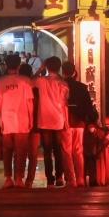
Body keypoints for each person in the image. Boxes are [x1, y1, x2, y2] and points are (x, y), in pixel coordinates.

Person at [0, 53, 34, 187]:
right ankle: (19, 178)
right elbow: (29, 102)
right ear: (19, 65)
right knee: (21, 151)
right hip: (22, 120)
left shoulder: (0, 82)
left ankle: (8, 178)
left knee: (7, 151)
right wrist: (31, 119)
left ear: (6, 65)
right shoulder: (25, 81)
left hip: (6, 121)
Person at [35, 56, 74, 187]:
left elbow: (30, 81)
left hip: (44, 120)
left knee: (47, 151)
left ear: (47, 66)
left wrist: (40, 69)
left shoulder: (41, 81)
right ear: (59, 67)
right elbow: (65, 102)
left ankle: (50, 180)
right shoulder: (63, 84)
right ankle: (59, 177)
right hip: (58, 120)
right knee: (58, 150)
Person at [61, 61, 96, 188]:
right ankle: (80, 178)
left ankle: (71, 179)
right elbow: (88, 106)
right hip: (80, 122)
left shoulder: (61, 86)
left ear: (63, 71)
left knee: (67, 151)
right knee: (78, 150)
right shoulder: (82, 87)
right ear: (74, 71)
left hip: (65, 121)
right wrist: (91, 121)